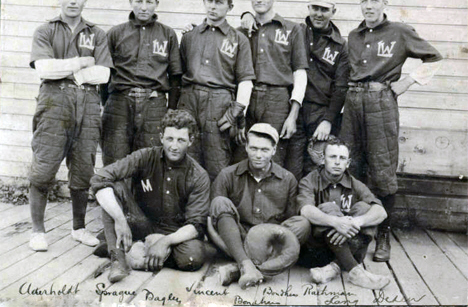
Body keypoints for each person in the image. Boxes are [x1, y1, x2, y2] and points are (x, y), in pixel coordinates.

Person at [340, 0, 443, 262]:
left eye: (374, 0)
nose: (369, 6)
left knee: (383, 169)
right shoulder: (353, 35)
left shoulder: (399, 31)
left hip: (380, 102)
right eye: (364, 1)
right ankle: (357, 229)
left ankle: (383, 233)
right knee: (351, 166)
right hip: (353, 102)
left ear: (385, 2)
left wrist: (407, 82)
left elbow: (433, 57)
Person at [28, 0, 112, 251]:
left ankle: (78, 228)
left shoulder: (96, 33)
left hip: (87, 103)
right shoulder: (46, 30)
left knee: (83, 169)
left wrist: (66, 70)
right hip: (54, 103)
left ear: (85, 0)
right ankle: (38, 231)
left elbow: (104, 75)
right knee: (44, 166)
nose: (73, 1)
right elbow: (43, 68)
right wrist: (81, 62)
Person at [90, 110, 211, 283]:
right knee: (112, 185)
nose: (174, 146)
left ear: (190, 141)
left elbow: (196, 225)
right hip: (141, 223)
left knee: (193, 257)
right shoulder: (145, 156)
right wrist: (120, 220)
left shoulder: (198, 175)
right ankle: (118, 258)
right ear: (161, 137)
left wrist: (164, 242)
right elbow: (100, 178)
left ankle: (133, 253)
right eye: (170, 139)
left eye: (181, 140)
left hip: (173, 234)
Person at [209, 123, 311, 289]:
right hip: (237, 239)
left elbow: (289, 225)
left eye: (264, 150)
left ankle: (241, 269)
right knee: (219, 202)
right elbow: (211, 221)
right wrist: (230, 249)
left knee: (302, 223)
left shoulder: (287, 179)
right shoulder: (227, 175)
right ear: (246, 147)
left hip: (270, 244)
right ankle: (245, 263)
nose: (258, 155)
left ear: (274, 150)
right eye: (254, 148)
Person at [178, 0, 256, 181]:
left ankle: (215, 208)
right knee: (186, 155)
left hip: (219, 102)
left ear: (230, 6)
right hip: (189, 99)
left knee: (217, 159)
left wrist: (236, 111)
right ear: (204, 2)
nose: (213, 6)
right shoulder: (189, 36)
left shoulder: (239, 39)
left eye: (219, 2)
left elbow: (245, 80)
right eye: (210, 1)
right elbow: (177, 75)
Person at [101, 0, 183, 166]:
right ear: (130, 2)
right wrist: (106, 103)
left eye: (149, 2)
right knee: (115, 158)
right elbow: (105, 74)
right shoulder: (116, 33)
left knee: (150, 160)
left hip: (154, 103)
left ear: (157, 4)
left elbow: (175, 75)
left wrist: (171, 108)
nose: (144, 7)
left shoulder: (167, 34)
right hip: (120, 102)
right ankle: (116, 195)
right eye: (139, 1)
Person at [298, 137, 390, 289]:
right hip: (317, 250)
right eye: (332, 157)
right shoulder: (309, 181)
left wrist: (356, 222)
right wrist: (336, 222)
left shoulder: (354, 183)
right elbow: (305, 210)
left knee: (364, 208)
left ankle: (333, 268)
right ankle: (355, 272)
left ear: (348, 163)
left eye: (342, 158)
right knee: (328, 207)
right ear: (323, 159)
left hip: (351, 248)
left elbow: (381, 212)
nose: (337, 162)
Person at [235, 0, 308, 173]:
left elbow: (299, 73)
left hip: (277, 99)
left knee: (273, 157)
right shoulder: (241, 31)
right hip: (246, 97)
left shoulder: (292, 29)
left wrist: (293, 115)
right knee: (243, 153)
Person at [289, 0, 349, 178]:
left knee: (316, 168)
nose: (318, 14)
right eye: (315, 8)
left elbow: (341, 88)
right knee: (291, 166)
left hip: (321, 113)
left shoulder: (340, 45)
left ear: (333, 11)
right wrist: (247, 15)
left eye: (324, 9)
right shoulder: (295, 32)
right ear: (309, 8)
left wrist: (327, 121)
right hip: (293, 109)